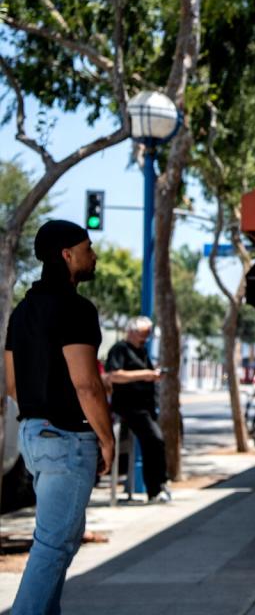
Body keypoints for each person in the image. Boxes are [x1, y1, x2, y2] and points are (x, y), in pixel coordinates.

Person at [4, 220, 115, 614]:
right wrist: (107, 438)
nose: (94, 255)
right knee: (53, 547)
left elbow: (14, 386)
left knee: (59, 543)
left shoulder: (21, 313)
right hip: (67, 439)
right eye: (88, 248)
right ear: (66, 255)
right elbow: (86, 384)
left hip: (33, 437)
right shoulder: (76, 308)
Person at [105, 316, 171, 503]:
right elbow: (114, 375)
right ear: (132, 332)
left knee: (154, 442)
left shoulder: (142, 351)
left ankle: (159, 484)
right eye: (144, 334)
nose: (146, 338)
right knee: (154, 440)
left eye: (148, 334)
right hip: (129, 406)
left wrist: (153, 376)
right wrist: (145, 374)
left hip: (145, 406)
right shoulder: (120, 349)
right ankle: (156, 487)